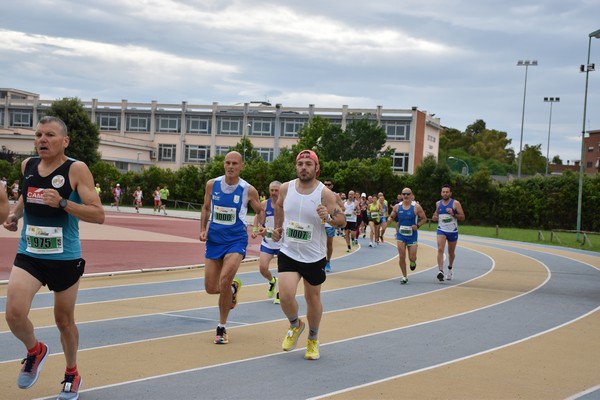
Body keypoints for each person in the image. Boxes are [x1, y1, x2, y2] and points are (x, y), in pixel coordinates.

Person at [2, 116, 105, 399]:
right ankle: (35, 351)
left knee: (63, 320)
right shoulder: (28, 165)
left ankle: (71, 372)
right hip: (30, 254)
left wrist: (63, 202)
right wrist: (14, 215)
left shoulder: (76, 169)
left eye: (49, 135)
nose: (42, 140)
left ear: (65, 141)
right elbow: (26, 196)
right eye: (38, 135)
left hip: (64, 258)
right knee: (13, 313)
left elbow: (98, 214)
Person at [271, 150, 346, 361]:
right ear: (296, 167)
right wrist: (277, 228)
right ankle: (296, 325)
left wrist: (329, 217)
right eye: (300, 163)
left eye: (308, 164)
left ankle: (313, 338)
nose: (303, 167)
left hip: (314, 255)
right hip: (289, 251)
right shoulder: (286, 188)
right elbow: (278, 207)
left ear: (316, 168)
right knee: (284, 295)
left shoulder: (325, 194)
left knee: (312, 298)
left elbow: (342, 220)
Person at [199, 151, 263, 344]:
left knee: (224, 280)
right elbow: (206, 207)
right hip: (215, 239)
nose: (230, 166)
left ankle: (222, 328)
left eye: (235, 163)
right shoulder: (212, 184)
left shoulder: (247, 189)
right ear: (223, 164)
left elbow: (260, 210)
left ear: (241, 166)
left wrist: (259, 226)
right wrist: (203, 229)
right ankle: (233, 290)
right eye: (227, 162)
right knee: (211, 288)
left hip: (236, 239)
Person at [251, 180, 282, 304]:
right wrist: (255, 229)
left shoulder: (284, 205)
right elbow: (257, 216)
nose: (274, 193)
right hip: (268, 242)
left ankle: (280, 293)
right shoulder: (264, 204)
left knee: (283, 270)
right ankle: (272, 281)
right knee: (263, 268)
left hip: (282, 244)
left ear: (281, 191)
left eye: (276, 190)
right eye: (272, 190)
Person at [387, 188, 427, 284]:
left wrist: (417, 226)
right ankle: (404, 276)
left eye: (408, 194)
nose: (406, 196)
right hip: (401, 235)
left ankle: (413, 262)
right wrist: (388, 220)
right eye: (404, 194)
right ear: (401, 195)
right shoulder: (397, 206)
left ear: (411, 195)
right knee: (401, 256)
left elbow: (424, 219)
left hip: (412, 236)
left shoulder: (416, 207)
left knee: (412, 257)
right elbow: (391, 216)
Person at [431, 184, 465, 281]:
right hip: (441, 230)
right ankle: (440, 271)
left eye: (447, 192)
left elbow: (462, 217)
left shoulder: (456, 203)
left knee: (451, 252)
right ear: (441, 193)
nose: (445, 193)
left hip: (452, 231)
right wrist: (434, 217)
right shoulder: (438, 203)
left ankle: (450, 268)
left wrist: (454, 214)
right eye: (443, 192)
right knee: (440, 249)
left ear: (450, 193)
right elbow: (435, 215)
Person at [321, 179, 343, 272]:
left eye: (329, 185)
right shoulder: (319, 194)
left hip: (330, 222)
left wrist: (333, 215)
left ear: (332, 186)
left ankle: (328, 261)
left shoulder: (335, 195)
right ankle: (319, 262)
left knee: (328, 244)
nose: (327, 186)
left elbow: (342, 207)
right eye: (325, 184)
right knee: (318, 243)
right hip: (320, 222)